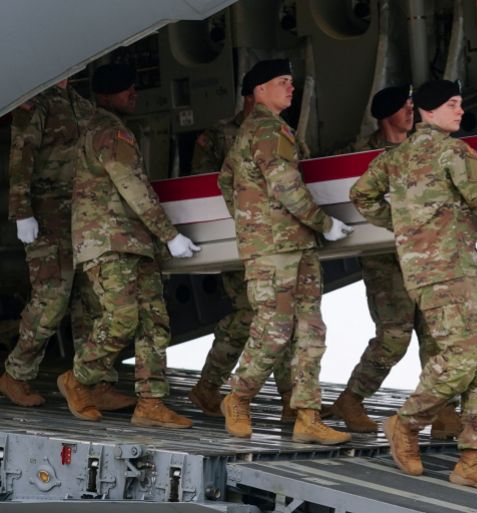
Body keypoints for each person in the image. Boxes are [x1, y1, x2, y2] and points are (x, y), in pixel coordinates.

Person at [350, 80, 477, 494]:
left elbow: (361, 195)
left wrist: (405, 225)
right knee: (465, 361)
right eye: (452, 104)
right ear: (429, 111)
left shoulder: (394, 157)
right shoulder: (454, 152)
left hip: (452, 271)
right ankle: (405, 423)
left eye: (460, 103)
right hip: (451, 273)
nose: (460, 111)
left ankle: (471, 460)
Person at [217, 59, 353, 443]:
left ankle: (307, 415)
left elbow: (226, 180)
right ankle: (238, 398)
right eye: (283, 81)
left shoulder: (264, 130)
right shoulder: (266, 130)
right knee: (274, 331)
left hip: (293, 244)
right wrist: (324, 223)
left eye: (291, 81)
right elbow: (286, 186)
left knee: (311, 330)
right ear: (260, 90)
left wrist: (248, 219)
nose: (291, 88)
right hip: (275, 248)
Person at [58, 63, 200, 428]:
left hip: (133, 242)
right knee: (122, 318)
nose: (134, 94)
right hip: (110, 242)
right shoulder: (109, 131)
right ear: (106, 96)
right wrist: (169, 234)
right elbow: (132, 186)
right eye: (126, 89)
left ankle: (150, 403)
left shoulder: (108, 129)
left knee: (155, 322)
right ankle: (79, 378)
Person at [327, 85, 461, 438]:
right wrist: (398, 222)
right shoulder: (359, 154)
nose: (411, 113)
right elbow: (346, 193)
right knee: (394, 336)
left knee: (436, 335)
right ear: (387, 114)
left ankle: (443, 408)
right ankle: (351, 399)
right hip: (384, 260)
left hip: (424, 257)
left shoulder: (422, 148)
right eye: (405, 107)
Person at [0, 79, 134, 411]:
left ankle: (93, 382)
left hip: (82, 214)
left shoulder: (82, 104)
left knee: (91, 300)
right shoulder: (37, 101)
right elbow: (21, 154)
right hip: (47, 213)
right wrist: (21, 212)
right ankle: (16, 373)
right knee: (52, 299)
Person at [188, 68, 295, 422]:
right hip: (237, 237)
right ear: (252, 95)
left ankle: (291, 399)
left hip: (273, 240)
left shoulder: (281, 130)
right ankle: (209, 385)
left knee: (282, 314)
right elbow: (205, 185)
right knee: (253, 315)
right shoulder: (219, 135)